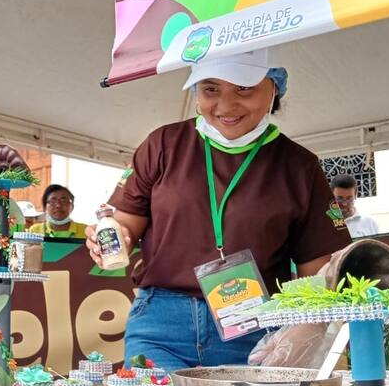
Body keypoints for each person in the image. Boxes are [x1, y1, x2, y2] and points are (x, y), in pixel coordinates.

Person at [86, 49, 351, 371]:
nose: (225, 106)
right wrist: (113, 238)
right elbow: (125, 224)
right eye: (211, 89)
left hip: (255, 328)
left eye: (244, 88)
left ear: (274, 88)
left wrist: (305, 332)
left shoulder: (300, 166)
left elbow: (319, 269)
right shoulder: (163, 145)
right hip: (161, 325)